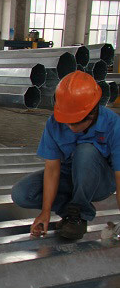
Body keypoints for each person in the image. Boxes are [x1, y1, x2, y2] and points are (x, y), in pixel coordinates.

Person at [11, 71, 120, 240]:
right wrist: (45, 212)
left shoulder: (113, 124)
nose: (68, 127)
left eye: (74, 122)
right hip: (70, 174)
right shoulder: (54, 124)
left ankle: (79, 213)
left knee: (85, 151)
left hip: (101, 182)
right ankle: (71, 214)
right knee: (22, 193)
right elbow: (52, 169)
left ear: (92, 114)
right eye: (65, 121)